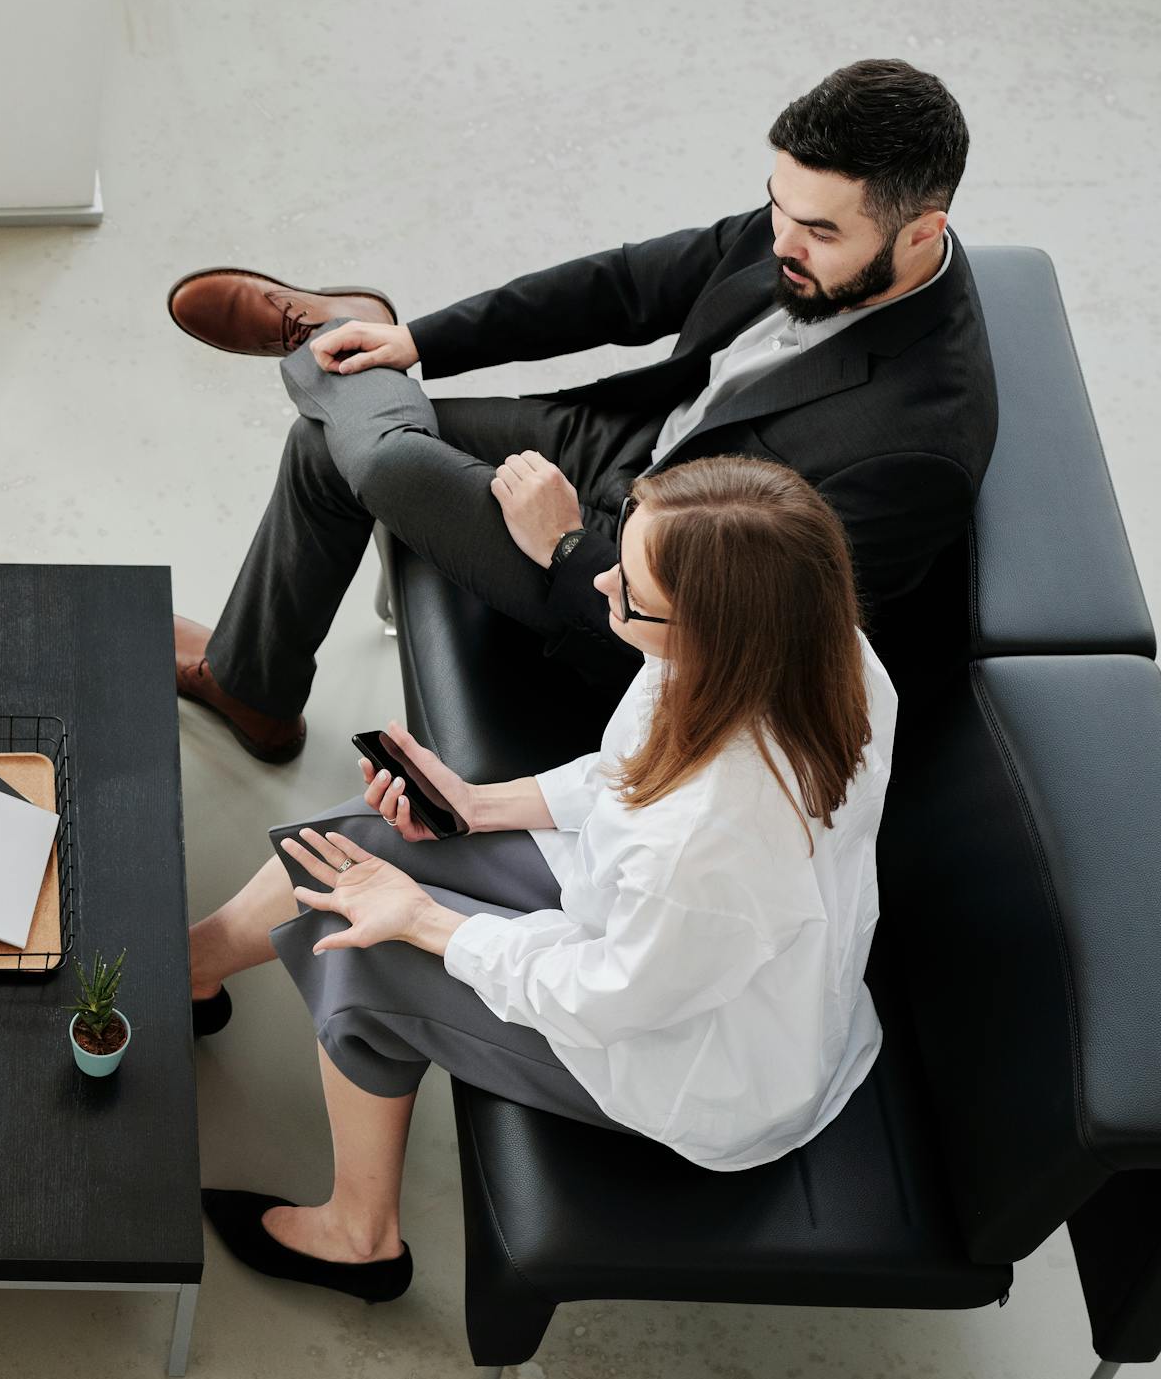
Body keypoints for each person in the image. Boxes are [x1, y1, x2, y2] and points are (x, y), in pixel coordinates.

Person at [186, 458, 892, 1301]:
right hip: (658, 933)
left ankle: (358, 1235)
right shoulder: (811, 648)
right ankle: (190, 967)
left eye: (629, 590)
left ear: (713, 631)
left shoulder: (710, 840)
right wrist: (477, 804)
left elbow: (605, 996)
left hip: (684, 1055)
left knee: (362, 949)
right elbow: (632, 772)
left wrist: (425, 918)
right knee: (367, 834)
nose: (601, 583)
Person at [166, 59, 990, 764]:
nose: (781, 243)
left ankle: (328, 341)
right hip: (636, 446)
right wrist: (418, 339)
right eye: (776, 205)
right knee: (330, 450)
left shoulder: (916, 446)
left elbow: (740, 645)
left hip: (638, 587)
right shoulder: (812, 224)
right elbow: (627, 287)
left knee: (373, 461)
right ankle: (253, 693)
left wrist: (564, 545)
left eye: (815, 231)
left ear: (922, 234)